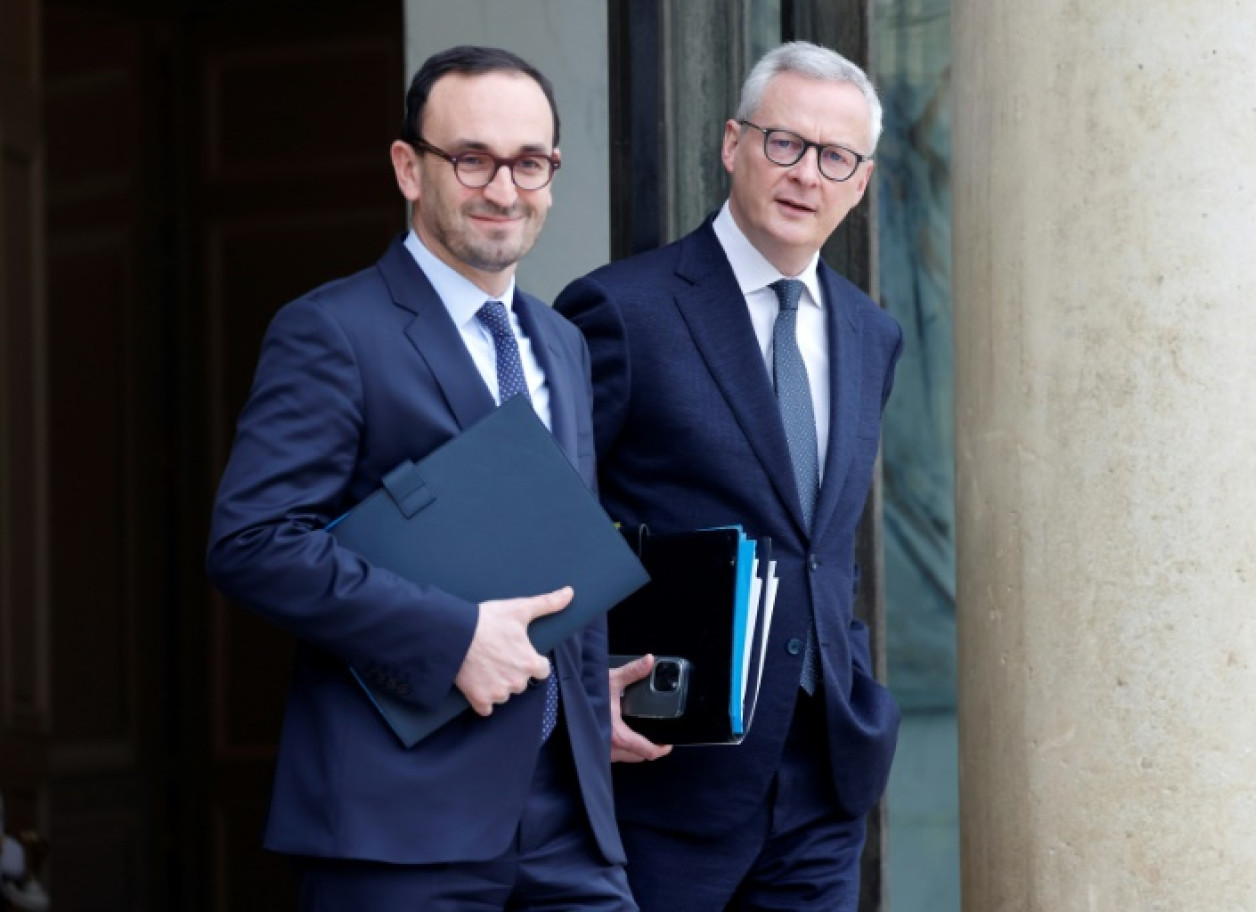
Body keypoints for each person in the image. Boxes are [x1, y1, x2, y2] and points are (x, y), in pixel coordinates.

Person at [206, 46, 635, 911]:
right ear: (410, 167)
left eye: (530, 162)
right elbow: (253, 542)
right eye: (471, 158)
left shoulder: (560, 344)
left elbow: (562, 559)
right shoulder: (331, 330)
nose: (503, 190)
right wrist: (453, 641)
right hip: (400, 829)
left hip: (569, 828)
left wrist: (591, 711)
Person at [555, 40, 903, 910]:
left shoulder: (870, 333)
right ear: (731, 145)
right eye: (783, 143)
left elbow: (824, 541)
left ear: (860, 183)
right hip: (668, 771)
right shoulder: (620, 310)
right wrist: (576, 690)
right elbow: (549, 523)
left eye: (835, 158)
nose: (805, 175)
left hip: (826, 776)